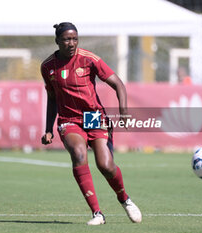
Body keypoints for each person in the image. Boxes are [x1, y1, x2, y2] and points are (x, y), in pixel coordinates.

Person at [40, 22, 142, 225]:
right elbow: (52, 98)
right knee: (78, 154)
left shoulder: (89, 59)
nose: (71, 43)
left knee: (105, 165)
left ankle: (125, 199)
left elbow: (118, 84)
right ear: (57, 41)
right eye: (67, 39)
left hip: (93, 116)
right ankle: (97, 213)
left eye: (75, 39)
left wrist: (123, 111)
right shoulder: (48, 66)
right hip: (69, 119)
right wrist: (48, 128)